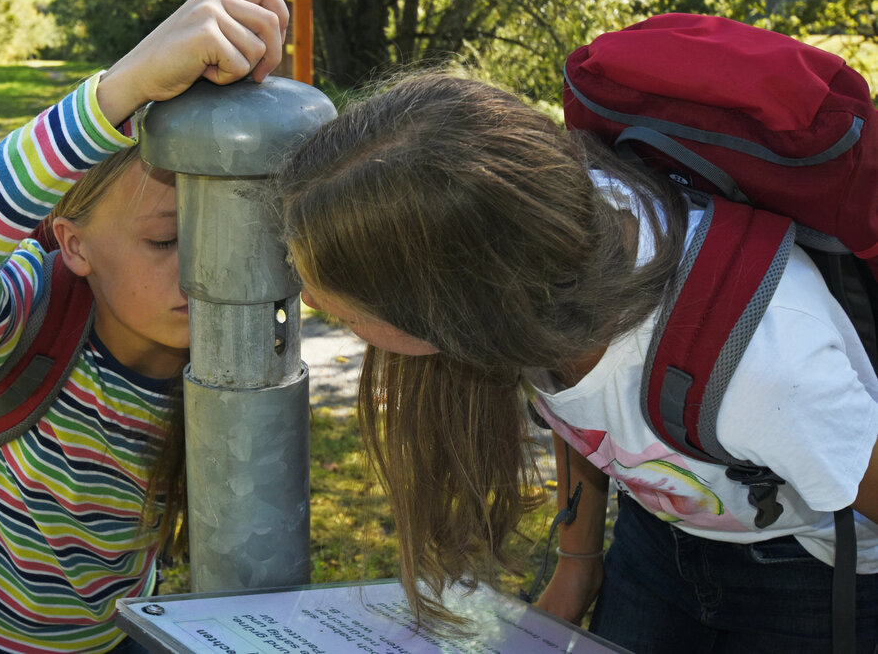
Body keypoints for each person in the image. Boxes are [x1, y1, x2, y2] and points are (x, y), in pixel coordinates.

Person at [274, 73, 878, 652]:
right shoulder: (538, 250)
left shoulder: (766, 371)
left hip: (811, 572)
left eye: (348, 310)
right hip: (656, 540)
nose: (309, 300)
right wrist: (578, 565)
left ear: (458, 307)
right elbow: (590, 416)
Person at [0, 0, 288, 654]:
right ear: (74, 245)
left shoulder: (236, 344)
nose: (207, 271)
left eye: (227, 237)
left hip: (111, 637)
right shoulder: (26, 316)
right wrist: (118, 90)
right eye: (165, 241)